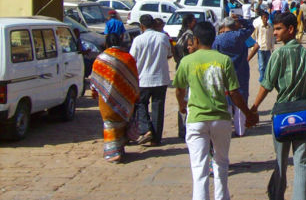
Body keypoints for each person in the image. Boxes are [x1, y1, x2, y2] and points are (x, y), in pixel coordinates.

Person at [174, 21, 258, 200]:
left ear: (195, 40)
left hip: (196, 118)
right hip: (221, 118)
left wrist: (182, 105)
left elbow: (180, 90)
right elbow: (234, 93)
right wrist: (247, 113)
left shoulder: (187, 61)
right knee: (221, 163)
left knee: (199, 169)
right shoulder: (223, 60)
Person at [249, 12, 306, 200]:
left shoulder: (278, 55)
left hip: (282, 114)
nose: (275, 33)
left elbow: (266, 85)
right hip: (303, 115)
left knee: (281, 162)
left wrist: (254, 107)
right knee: (302, 163)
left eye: (278, 29)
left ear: (290, 30)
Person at [89, 33, 139, 163]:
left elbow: (94, 79)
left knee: (110, 124)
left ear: (106, 43)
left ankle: (113, 153)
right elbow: (134, 79)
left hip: (106, 99)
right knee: (122, 123)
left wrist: (94, 92)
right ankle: (120, 149)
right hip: (126, 98)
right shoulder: (128, 58)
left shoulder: (101, 58)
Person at [129, 14, 172, 146]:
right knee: (158, 107)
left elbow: (132, 58)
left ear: (142, 26)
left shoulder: (138, 40)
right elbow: (169, 54)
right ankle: (156, 138)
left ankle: (146, 129)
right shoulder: (163, 38)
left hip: (143, 79)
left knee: (141, 104)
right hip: (160, 78)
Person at [213, 16, 254, 137]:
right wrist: (240, 20)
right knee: (241, 100)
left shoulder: (218, 40)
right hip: (241, 71)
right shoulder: (241, 35)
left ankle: (225, 130)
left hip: (224, 73)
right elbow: (251, 26)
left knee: (226, 102)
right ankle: (240, 130)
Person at [249, 10, 274, 82]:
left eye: (267, 18)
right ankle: (262, 77)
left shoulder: (270, 27)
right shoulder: (259, 27)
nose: (265, 19)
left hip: (268, 48)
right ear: (262, 18)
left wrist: (272, 47)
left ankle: (266, 76)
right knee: (261, 64)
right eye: (264, 17)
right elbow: (253, 36)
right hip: (260, 48)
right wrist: (253, 46)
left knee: (267, 64)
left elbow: (272, 37)